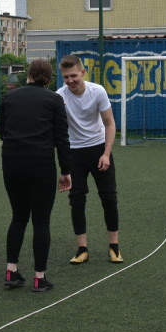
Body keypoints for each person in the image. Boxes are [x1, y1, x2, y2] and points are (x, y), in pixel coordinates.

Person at [0, 58, 72, 292]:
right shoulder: (54, 100)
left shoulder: (9, 97)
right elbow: (62, 138)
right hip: (41, 164)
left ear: (28, 74)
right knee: (41, 221)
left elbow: (2, 131)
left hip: (11, 162)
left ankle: (11, 271)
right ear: (49, 78)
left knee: (18, 217)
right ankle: (39, 277)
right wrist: (66, 171)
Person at [57, 53, 123, 264]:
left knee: (109, 197)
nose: (70, 81)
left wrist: (106, 153)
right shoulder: (59, 96)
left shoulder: (98, 91)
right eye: (66, 77)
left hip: (99, 149)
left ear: (83, 73)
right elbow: (56, 130)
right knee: (76, 199)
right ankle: (82, 249)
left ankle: (114, 247)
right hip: (74, 153)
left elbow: (109, 123)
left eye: (74, 76)